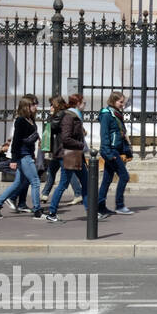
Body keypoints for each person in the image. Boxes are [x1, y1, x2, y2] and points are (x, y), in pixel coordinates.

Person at [0, 96, 43, 219]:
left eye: (36, 104)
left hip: (28, 154)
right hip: (22, 155)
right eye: (34, 104)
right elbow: (16, 141)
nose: (36, 106)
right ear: (26, 106)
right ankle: (37, 211)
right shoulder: (21, 120)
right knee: (35, 181)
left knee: (18, 183)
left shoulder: (30, 119)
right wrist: (14, 160)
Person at [45, 94, 89, 224]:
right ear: (78, 103)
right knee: (63, 184)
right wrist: (82, 145)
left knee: (86, 182)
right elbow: (66, 138)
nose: (85, 105)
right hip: (69, 154)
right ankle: (52, 213)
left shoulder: (75, 116)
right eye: (84, 103)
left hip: (75, 153)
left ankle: (91, 211)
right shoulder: (69, 117)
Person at [98, 91, 134, 217]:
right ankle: (119, 205)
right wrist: (108, 153)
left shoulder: (116, 114)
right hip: (111, 150)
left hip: (115, 150)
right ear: (113, 101)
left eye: (123, 102)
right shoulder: (107, 115)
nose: (123, 105)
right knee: (124, 176)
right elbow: (104, 135)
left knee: (107, 179)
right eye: (120, 102)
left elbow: (118, 133)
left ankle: (100, 207)